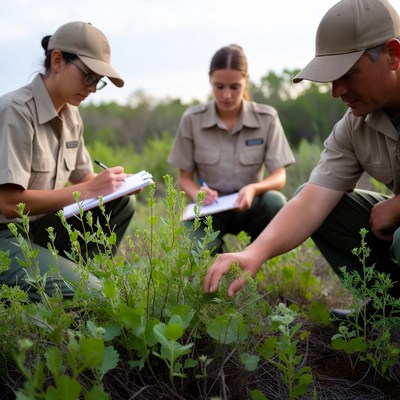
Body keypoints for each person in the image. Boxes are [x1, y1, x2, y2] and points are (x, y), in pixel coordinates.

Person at [203, 0, 400, 314]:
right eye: (331, 78)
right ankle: (390, 310)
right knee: (313, 200)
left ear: (392, 54)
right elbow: (312, 202)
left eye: (348, 74)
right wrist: (253, 254)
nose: (337, 90)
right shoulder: (354, 126)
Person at [0, 21, 136, 301]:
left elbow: (84, 177)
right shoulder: (16, 111)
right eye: (88, 76)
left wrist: (117, 185)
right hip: (6, 236)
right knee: (95, 296)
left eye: (99, 81)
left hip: (39, 230)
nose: (93, 89)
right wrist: (88, 191)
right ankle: (72, 289)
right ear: (58, 60)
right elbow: (9, 203)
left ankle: (74, 278)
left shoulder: (71, 114)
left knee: (121, 202)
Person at [168, 44, 295, 253]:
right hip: (209, 211)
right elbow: (184, 178)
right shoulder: (192, 120)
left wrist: (253, 189)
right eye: (219, 86)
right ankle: (216, 259)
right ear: (210, 80)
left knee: (275, 202)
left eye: (234, 87)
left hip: (250, 206)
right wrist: (198, 194)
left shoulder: (266, 118)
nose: (226, 95)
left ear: (246, 81)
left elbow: (279, 177)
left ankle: (255, 255)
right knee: (196, 249)